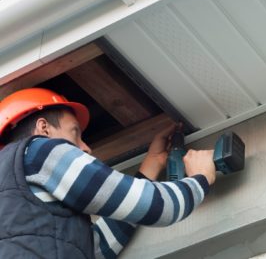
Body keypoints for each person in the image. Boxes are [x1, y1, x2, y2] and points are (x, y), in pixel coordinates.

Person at [0, 87, 216, 259]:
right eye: (75, 133)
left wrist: (150, 166)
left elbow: (92, 248)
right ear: (44, 128)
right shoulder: (40, 150)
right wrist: (200, 178)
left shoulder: (15, 199)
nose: (86, 148)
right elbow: (158, 209)